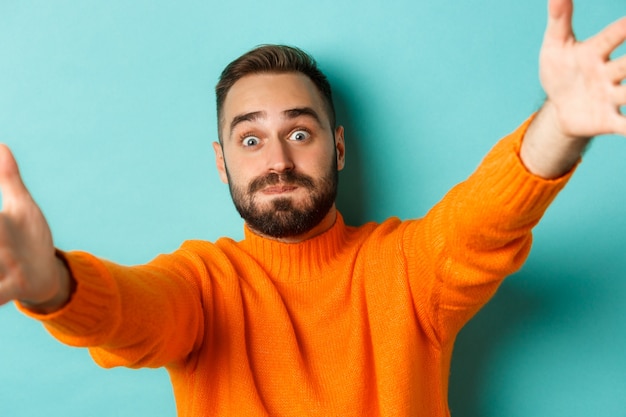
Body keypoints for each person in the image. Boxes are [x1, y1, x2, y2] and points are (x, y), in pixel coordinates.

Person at [0, 0, 625, 415]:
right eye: (250, 139)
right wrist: (53, 285)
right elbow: (132, 312)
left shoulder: (408, 270)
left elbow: (485, 219)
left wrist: (561, 124)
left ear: (339, 147)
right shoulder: (203, 286)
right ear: (222, 161)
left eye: (299, 132)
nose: (277, 159)